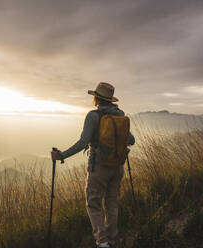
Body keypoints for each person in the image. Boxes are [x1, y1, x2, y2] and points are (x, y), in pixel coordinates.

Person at [51, 82, 135, 248]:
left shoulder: (93, 116)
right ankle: (112, 238)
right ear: (110, 100)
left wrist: (62, 155)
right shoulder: (120, 117)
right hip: (118, 166)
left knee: (93, 203)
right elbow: (131, 140)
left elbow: (83, 142)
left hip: (99, 167)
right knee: (112, 202)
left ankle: (102, 241)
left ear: (96, 98)